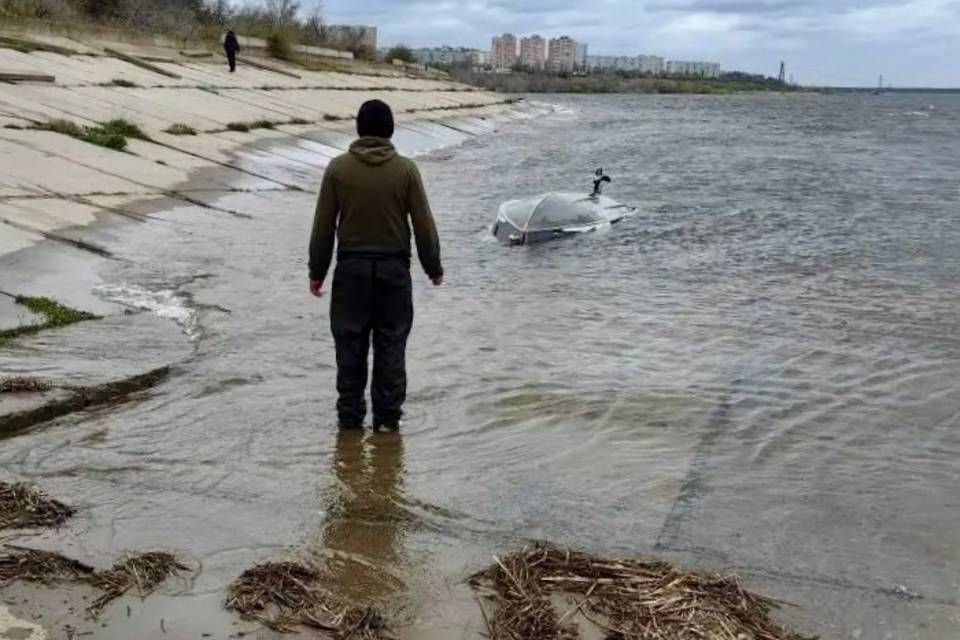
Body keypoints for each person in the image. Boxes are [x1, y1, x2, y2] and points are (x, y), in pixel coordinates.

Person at [309, 99, 443, 432]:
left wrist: (317, 270)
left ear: (358, 128)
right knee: (391, 346)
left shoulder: (337, 169)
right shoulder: (407, 170)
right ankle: (387, 423)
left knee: (349, 346)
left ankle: (349, 421)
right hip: (394, 274)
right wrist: (433, 266)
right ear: (391, 130)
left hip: (350, 272)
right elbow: (423, 224)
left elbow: (323, 226)